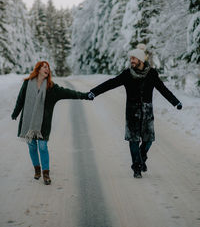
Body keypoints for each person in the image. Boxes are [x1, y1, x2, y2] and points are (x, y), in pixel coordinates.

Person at [88, 44, 182, 178]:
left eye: (134, 58)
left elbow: (163, 89)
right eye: (130, 58)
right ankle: (136, 167)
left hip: (147, 112)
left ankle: (142, 157)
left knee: (148, 140)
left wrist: (175, 102)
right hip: (132, 112)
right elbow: (110, 83)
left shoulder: (152, 74)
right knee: (133, 141)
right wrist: (93, 92)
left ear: (141, 60)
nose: (131, 61)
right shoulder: (127, 74)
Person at [11, 61, 93, 185]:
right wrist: (15, 113)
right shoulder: (27, 84)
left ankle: (46, 173)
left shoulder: (51, 88)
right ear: (38, 69)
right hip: (28, 122)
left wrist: (85, 95)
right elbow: (20, 100)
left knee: (42, 147)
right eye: (44, 67)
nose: (47, 69)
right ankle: (37, 169)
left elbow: (69, 93)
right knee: (32, 146)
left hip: (43, 124)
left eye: (48, 68)